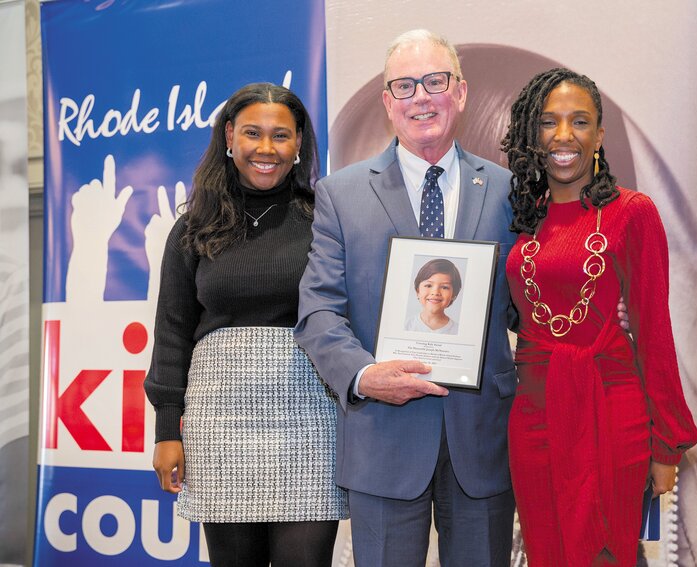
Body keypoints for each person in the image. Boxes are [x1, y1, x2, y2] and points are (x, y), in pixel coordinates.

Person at [295, 29, 518, 566]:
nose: (421, 96)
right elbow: (318, 310)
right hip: (383, 439)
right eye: (404, 85)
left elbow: (524, 304)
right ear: (387, 103)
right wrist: (363, 376)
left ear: (460, 92)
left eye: (434, 81)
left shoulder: (510, 190)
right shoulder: (340, 194)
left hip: (482, 436)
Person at [500, 67, 697, 566]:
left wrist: (666, 446)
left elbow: (655, 331)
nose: (564, 135)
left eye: (579, 121)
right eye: (549, 122)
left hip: (610, 413)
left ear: (599, 135)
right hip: (532, 417)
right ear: (533, 134)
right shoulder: (521, 219)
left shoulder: (632, 212)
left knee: (606, 555)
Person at [143, 83, 347, 567]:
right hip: (218, 423)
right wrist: (167, 428)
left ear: (299, 144)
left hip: (309, 421)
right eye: (253, 133)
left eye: (281, 135)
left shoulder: (325, 220)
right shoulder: (192, 228)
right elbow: (172, 331)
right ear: (230, 136)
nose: (265, 148)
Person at [405, 258, 462, 334]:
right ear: (418, 291)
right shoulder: (406, 326)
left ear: (453, 295)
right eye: (428, 285)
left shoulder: (459, 331)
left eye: (444, 287)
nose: (435, 292)